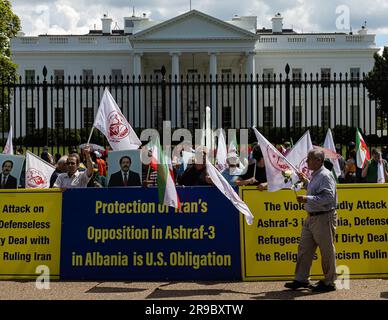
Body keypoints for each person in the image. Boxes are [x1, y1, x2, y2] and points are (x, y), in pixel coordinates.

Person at [284, 149, 337, 292]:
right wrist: (306, 181)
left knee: (326, 250)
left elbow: (328, 198)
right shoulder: (316, 175)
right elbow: (316, 190)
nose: (307, 162)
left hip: (323, 216)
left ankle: (329, 282)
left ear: (319, 161)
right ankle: (301, 279)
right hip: (312, 216)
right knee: (304, 248)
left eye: (309, 159)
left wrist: (307, 198)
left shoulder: (325, 176)